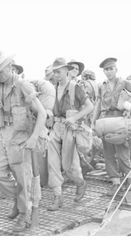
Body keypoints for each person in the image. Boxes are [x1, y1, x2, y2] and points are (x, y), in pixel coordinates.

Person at [0, 50, 46, 232]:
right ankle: (18, 200)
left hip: (21, 138)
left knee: (24, 180)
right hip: (4, 136)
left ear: (10, 67)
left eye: (1, 71)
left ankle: (24, 215)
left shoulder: (23, 86)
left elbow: (42, 113)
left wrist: (34, 138)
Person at [92, 57, 131, 195]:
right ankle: (115, 182)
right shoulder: (101, 85)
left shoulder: (124, 83)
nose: (108, 72)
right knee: (108, 153)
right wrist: (93, 120)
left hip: (120, 119)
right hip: (105, 119)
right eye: (106, 70)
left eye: (111, 69)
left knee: (122, 152)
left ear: (116, 69)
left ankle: (129, 179)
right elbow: (98, 104)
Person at [47, 58, 93, 211]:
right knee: (52, 162)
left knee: (70, 166)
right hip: (56, 128)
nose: (56, 75)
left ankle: (80, 183)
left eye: (58, 71)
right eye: (54, 72)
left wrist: (74, 117)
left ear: (67, 71)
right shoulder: (52, 88)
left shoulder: (75, 88)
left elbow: (89, 107)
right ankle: (57, 196)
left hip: (70, 129)